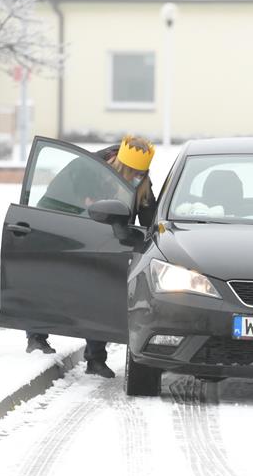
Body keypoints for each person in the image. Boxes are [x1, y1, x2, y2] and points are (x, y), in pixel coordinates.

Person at [26, 135, 158, 379]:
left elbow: (149, 218)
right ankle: (36, 337)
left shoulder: (142, 184)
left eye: (143, 173)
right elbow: (56, 201)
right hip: (64, 229)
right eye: (133, 173)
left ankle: (95, 359)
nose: (138, 178)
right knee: (50, 283)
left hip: (107, 240)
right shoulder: (87, 170)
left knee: (102, 294)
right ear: (120, 165)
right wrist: (86, 207)